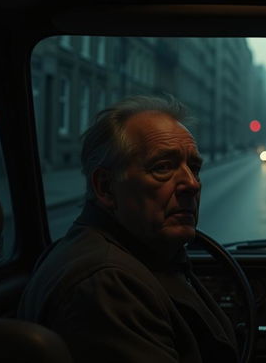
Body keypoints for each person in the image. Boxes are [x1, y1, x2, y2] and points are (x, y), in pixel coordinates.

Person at [18, 95, 239, 363]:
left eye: (194, 168)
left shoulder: (143, 254)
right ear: (106, 187)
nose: (191, 184)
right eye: (163, 168)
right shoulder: (106, 286)